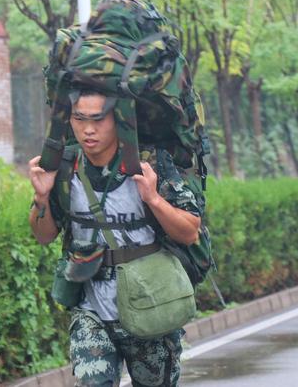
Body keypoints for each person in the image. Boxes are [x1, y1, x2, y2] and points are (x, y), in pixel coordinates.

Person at [28, 90, 202, 387]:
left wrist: (154, 199)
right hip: (90, 310)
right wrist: (41, 197)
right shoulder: (65, 167)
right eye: (79, 119)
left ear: (118, 120)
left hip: (151, 307)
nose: (88, 129)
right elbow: (43, 235)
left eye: (97, 119)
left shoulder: (151, 164)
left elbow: (189, 231)